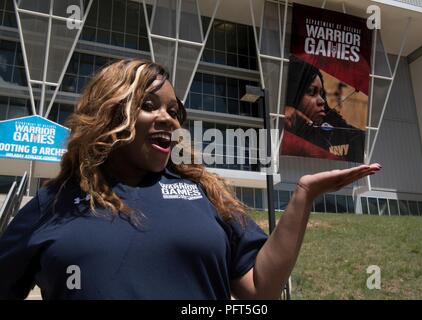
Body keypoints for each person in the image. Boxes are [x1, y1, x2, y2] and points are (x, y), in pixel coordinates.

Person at [0, 59, 381, 300]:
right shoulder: (52, 207)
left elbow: (259, 290)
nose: (169, 118)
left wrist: (303, 196)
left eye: (173, 110)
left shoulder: (204, 195)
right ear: (108, 113)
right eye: (148, 106)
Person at [282, 55, 366, 163]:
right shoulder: (277, 125)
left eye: (321, 94)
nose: (321, 101)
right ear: (292, 95)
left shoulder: (334, 128)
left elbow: (357, 138)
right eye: (311, 92)